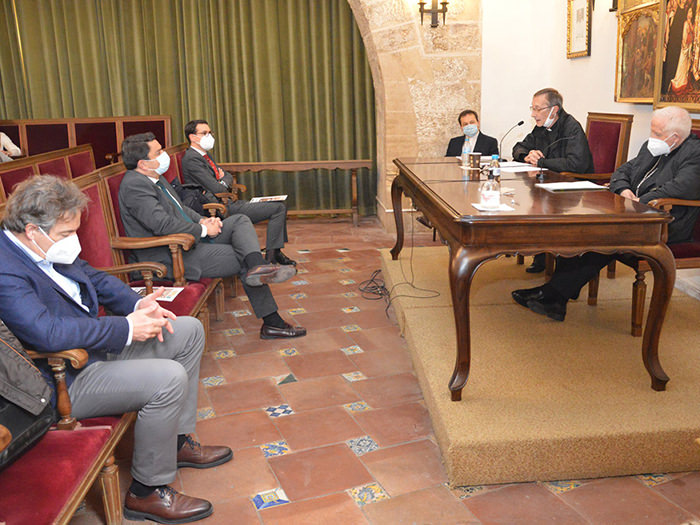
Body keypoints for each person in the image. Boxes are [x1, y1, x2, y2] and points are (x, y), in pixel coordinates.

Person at [0, 175, 231, 523]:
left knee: (187, 331)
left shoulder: (43, 244)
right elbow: (45, 333)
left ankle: (178, 441)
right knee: (167, 379)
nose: (72, 241)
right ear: (32, 231)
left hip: (94, 350)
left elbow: (93, 277)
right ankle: (147, 491)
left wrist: (137, 305)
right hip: (63, 379)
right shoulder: (5, 269)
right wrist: (124, 328)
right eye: (66, 234)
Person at [512, 106, 700, 322]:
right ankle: (555, 296)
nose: (651, 138)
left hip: (666, 222)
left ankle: (553, 295)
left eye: (656, 133)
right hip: (632, 213)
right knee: (582, 228)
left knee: (602, 235)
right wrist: (623, 190)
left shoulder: (695, 154)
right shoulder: (653, 147)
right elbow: (622, 171)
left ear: (675, 137)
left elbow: (680, 188)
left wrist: (642, 201)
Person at [119, 133, 306, 339]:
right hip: (169, 254)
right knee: (240, 255)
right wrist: (203, 231)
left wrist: (202, 220)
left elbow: (180, 208)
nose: (165, 155)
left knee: (240, 220)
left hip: (189, 239)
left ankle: (257, 267)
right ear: (143, 164)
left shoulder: (155, 176)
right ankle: (272, 322)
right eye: (159, 152)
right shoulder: (134, 186)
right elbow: (162, 224)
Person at [181, 119, 295, 266]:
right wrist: (222, 181)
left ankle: (275, 252)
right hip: (220, 207)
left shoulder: (205, 156)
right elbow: (218, 188)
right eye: (204, 133)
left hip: (229, 201)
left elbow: (227, 176)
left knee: (279, 204)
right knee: (278, 208)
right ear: (192, 137)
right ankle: (273, 255)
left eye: (210, 132)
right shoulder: (191, 159)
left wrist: (223, 180)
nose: (209, 136)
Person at [512, 88, 594, 273]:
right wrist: (527, 156)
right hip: (547, 184)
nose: (533, 114)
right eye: (532, 108)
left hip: (574, 191)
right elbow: (518, 147)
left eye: (537, 109)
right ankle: (541, 254)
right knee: (530, 204)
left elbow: (577, 164)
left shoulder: (571, 127)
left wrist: (541, 161)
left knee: (538, 204)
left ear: (554, 110)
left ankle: (558, 260)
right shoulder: (540, 127)